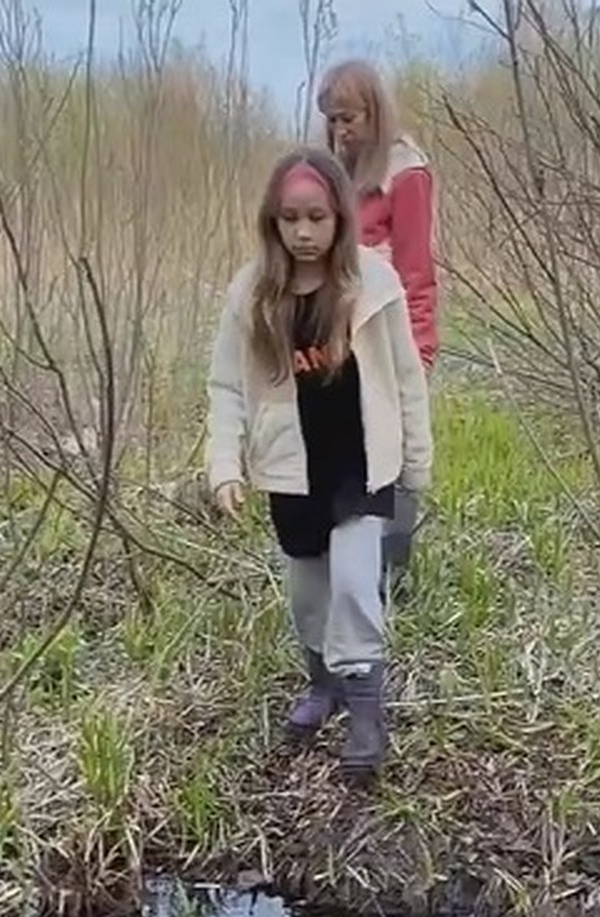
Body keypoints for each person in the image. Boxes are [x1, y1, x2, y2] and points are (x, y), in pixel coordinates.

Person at [205, 147, 432, 785]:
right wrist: (225, 464)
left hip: (362, 463)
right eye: (289, 219)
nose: (304, 233)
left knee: (357, 588)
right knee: (309, 598)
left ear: (340, 218)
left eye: (317, 218)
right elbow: (226, 386)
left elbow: (407, 379)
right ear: (271, 222)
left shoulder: (373, 285)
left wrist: (416, 464)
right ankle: (323, 683)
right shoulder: (252, 295)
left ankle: (366, 711)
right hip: (290, 468)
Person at [317, 59, 439, 601]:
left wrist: (419, 348)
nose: (340, 131)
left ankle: (393, 576)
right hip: (338, 342)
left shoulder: (405, 172)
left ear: (375, 112)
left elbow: (415, 268)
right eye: (331, 121)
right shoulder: (334, 177)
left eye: (349, 118)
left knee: (395, 455)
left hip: (391, 341)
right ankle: (348, 568)